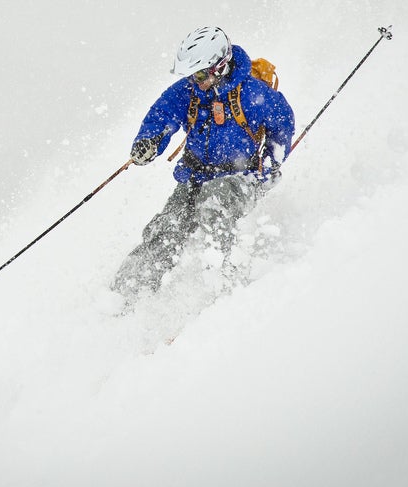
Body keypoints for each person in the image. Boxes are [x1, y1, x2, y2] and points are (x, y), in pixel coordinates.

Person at [112, 26, 295, 303]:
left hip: (240, 177)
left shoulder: (254, 94)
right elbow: (162, 114)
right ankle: (122, 295)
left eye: (199, 74)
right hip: (195, 176)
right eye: (191, 74)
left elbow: (282, 127)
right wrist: (149, 141)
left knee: (215, 206)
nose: (194, 81)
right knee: (166, 227)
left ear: (220, 66)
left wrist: (268, 166)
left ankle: (220, 289)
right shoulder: (189, 91)